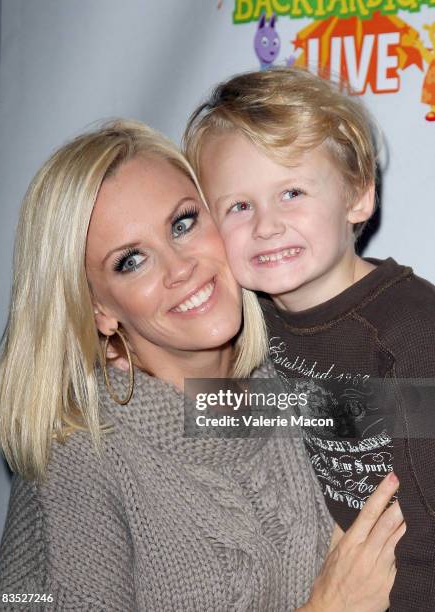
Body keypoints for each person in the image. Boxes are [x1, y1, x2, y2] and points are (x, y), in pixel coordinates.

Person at [0, 120, 403, 611]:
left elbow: (412, 410)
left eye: (182, 224)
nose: (179, 267)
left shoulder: (270, 387)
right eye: (131, 261)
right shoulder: (82, 454)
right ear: (99, 311)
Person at [183, 66, 435, 612]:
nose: (266, 225)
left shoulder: (414, 336)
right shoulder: (245, 324)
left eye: (291, 192)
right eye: (239, 206)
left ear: (358, 197)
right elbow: (239, 415)